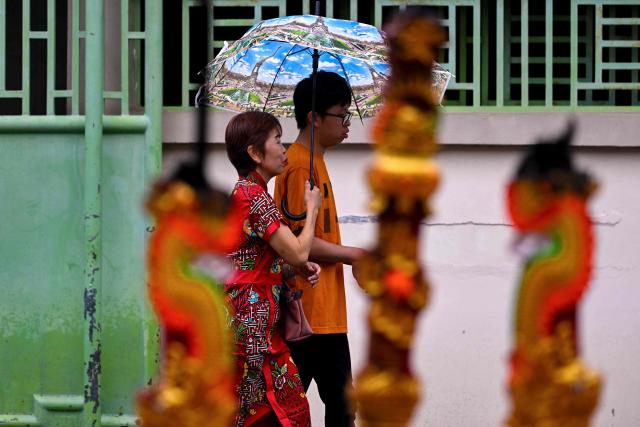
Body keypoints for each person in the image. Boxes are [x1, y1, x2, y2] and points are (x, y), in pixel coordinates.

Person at [274, 71, 365, 427]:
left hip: (323, 309)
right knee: (333, 409)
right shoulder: (299, 167)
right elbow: (299, 244)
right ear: (314, 118)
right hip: (309, 311)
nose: (346, 125)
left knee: (337, 407)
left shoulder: (313, 162)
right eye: (341, 116)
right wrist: (354, 254)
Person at [224, 111, 322, 427]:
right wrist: (312, 209)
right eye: (278, 141)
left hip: (245, 322)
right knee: (283, 410)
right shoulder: (254, 197)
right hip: (255, 328)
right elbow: (297, 251)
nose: (284, 149)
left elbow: (253, 260)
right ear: (254, 153)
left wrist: (295, 270)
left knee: (251, 411)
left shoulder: (245, 193)